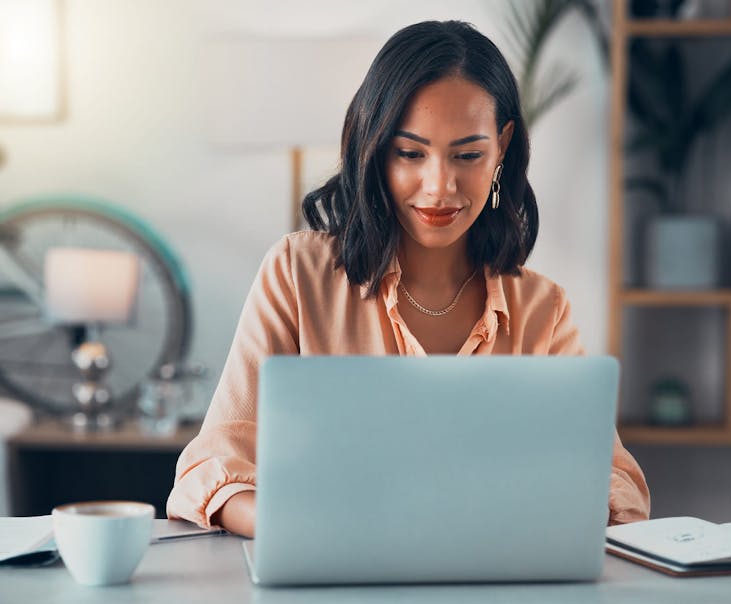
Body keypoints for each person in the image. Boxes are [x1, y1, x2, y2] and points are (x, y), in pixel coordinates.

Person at [167, 20, 650, 538]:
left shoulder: (541, 310)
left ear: (503, 147)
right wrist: (302, 529)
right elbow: (211, 467)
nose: (439, 186)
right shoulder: (296, 275)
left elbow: (612, 480)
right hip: (331, 570)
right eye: (410, 153)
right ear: (375, 150)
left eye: (468, 155)